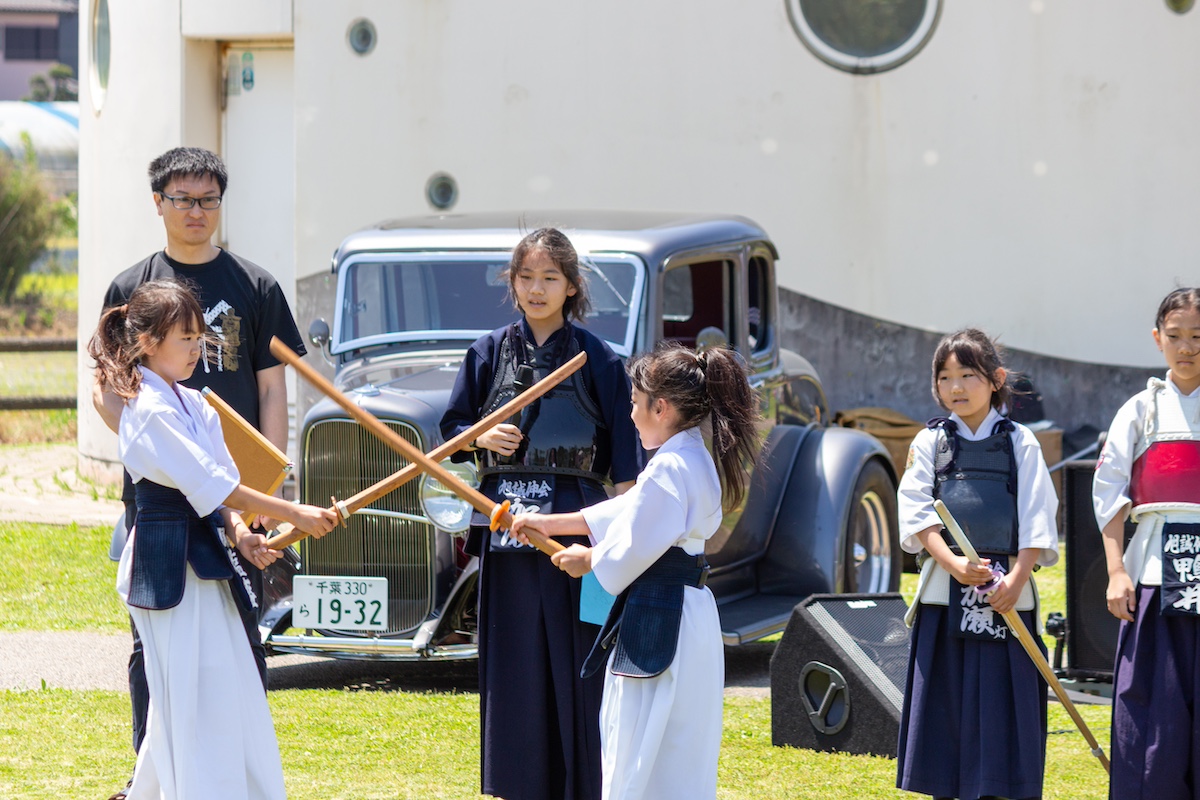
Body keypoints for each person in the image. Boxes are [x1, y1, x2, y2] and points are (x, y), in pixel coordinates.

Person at [93, 146, 307, 800]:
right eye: (183, 199)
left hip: (231, 501)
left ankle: (202, 781)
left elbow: (272, 393)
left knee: (233, 648)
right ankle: (155, 778)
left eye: (208, 200)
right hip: (163, 505)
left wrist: (261, 505)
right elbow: (109, 391)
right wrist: (153, 450)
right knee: (160, 657)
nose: (196, 211)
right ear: (158, 202)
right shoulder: (132, 289)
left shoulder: (255, 285)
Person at [439, 227, 642, 800]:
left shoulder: (600, 359)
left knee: (578, 654)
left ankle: (583, 784)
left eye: (549, 277)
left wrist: (624, 539)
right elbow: (453, 432)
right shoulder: (486, 352)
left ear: (572, 286)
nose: (536, 288)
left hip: (576, 523)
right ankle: (517, 782)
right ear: (511, 283)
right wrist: (482, 437)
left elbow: (625, 462)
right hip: (504, 520)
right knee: (513, 655)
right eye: (525, 277)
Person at [508, 340, 760, 800]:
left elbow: (640, 540)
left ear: (660, 408)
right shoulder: (690, 457)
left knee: (640, 746)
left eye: (633, 403)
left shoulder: (670, 467)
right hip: (688, 616)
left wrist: (587, 560)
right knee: (678, 748)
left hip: (661, 616)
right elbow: (630, 511)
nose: (629, 415)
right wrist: (549, 523)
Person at [896, 328, 1059, 800]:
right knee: (947, 702)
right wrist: (950, 563)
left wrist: (1018, 579)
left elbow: (1036, 518)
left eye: (968, 374)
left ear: (996, 379)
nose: (957, 387)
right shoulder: (930, 442)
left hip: (1007, 593)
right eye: (945, 377)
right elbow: (918, 512)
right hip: (945, 596)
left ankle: (1001, 786)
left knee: (1004, 702)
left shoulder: (1020, 442)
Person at [1094, 287, 1200, 799]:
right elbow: (1109, 496)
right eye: (1176, 337)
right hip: (1154, 575)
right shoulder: (1139, 410)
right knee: (1153, 705)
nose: (1187, 348)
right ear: (1157, 340)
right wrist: (1117, 572)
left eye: (1198, 337)